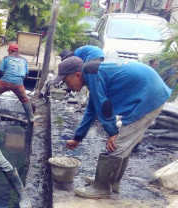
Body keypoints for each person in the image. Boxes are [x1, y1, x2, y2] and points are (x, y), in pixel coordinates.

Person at [52, 56, 171, 198]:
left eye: (67, 81)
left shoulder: (91, 72)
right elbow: (92, 110)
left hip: (150, 97)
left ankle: (102, 187)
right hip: (150, 92)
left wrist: (112, 132)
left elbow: (104, 105)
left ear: (77, 75)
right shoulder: (92, 74)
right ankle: (112, 182)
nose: (68, 86)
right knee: (121, 144)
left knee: (116, 145)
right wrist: (78, 138)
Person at [0, 43, 40, 124]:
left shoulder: (6, 58)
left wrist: (1, 81)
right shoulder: (24, 60)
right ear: (17, 51)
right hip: (18, 83)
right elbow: (26, 74)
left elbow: (0, 71)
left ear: (10, 51)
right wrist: (18, 82)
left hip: (4, 81)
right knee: (25, 100)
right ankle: (31, 117)